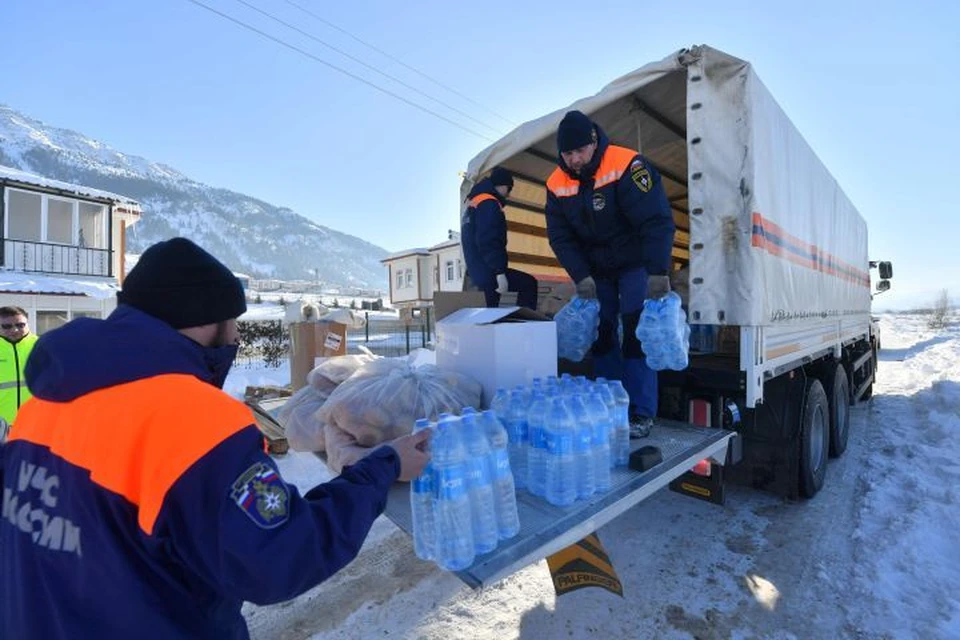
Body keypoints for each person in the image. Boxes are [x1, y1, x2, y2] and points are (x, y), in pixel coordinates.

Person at [0, 238, 430, 639]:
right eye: (234, 322)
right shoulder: (195, 421)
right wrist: (382, 468)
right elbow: (279, 557)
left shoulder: (42, 408)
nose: (239, 336)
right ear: (205, 321)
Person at [545, 110, 675, 432]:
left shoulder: (628, 165)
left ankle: (641, 412)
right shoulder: (555, 183)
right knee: (602, 335)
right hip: (596, 271)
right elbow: (560, 237)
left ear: (593, 142)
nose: (574, 159)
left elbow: (655, 220)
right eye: (567, 153)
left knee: (635, 333)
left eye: (579, 151)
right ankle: (608, 404)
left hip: (634, 264)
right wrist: (580, 276)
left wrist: (658, 271)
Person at [461, 166, 539, 309]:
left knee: (488, 317)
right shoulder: (489, 203)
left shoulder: (474, 203)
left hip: (478, 270)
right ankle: (524, 326)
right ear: (502, 185)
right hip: (488, 271)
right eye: (509, 189)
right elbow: (489, 240)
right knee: (529, 283)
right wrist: (499, 272)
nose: (508, 195)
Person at [0, 305, 38, 429]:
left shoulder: (42, 347)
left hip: (36, 423)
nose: (14, 330)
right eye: (6, 326)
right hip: (2, 425)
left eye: (20, 325)